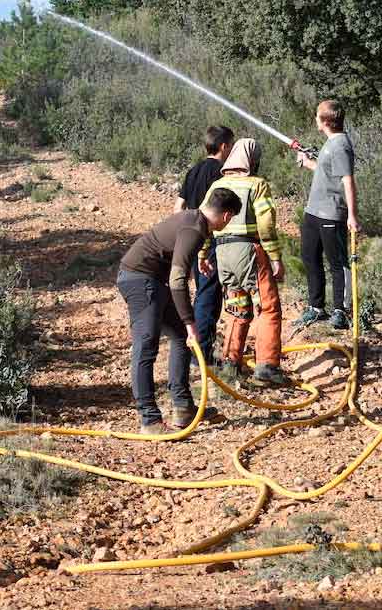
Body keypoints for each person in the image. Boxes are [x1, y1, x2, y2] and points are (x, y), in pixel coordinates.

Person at [118, 187, 243, 435]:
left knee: (180, 340)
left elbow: (183, 246)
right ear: (227, 216)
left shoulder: (195, 219)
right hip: (139, 280)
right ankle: (150, 421)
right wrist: (189, 322)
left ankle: (183, 407)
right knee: (147, 346)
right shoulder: (194, 229)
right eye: (231, 219)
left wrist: (200, 258)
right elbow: (177, 280)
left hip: (152, 280)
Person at [198, 138, 289, 387]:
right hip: (249, 251)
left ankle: (231, 364)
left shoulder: (217, 185)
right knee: (268, 307)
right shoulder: (257, 184)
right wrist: (275, 257)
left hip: (222, 253)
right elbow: (266, 224)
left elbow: (203, 220)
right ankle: (267, 367)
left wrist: (203, 254)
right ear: (252, 160)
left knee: (236, 308)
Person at [293, 100, 360, 331]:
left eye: (317, 116)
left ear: (326, 122)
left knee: (337, 263)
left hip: (332, 213)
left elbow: (348, 180)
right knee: (310, 257)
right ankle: (316, 307)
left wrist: (352, 215)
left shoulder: (340, 145)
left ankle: (341, 310)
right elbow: (326, 171)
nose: (315, 119)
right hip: (313, 211)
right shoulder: (330, 143)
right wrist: (307, 162)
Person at [174, 125, 236, 364]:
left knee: (203, 292)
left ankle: (198, 350)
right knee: (209, 296)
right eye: (231, 146)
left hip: (192, 239)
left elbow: (178, 208)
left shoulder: (194, 170)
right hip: (213, 241)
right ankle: (201, 355)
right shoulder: (222, 173)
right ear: (224, 146)